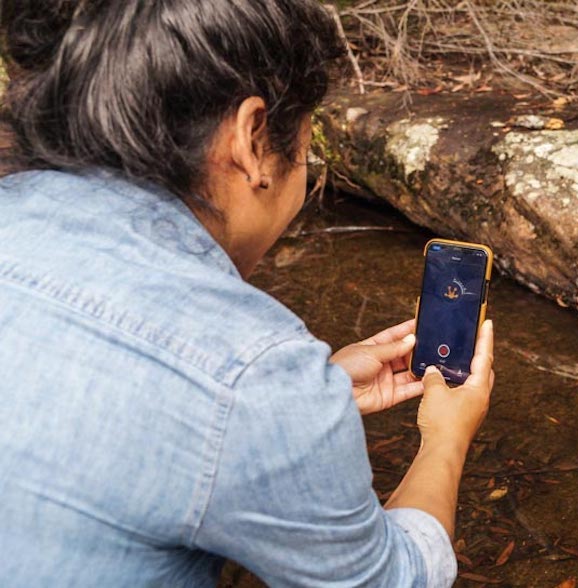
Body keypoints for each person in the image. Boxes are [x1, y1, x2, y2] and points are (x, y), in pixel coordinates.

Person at [0, 0, 495, 586]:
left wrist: (314, 400)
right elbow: (393, 578)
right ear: (251, 139)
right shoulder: (251, 370)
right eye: (306, 150)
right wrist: (446, 434)